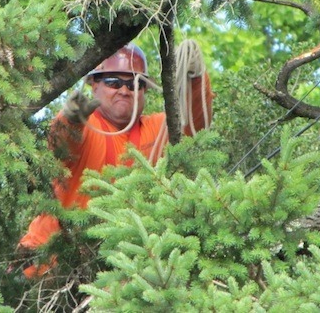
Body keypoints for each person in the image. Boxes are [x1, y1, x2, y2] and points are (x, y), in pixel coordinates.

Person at [16, 40, 213, 278]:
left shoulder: (158, 129)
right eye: (113, 82)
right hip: (49, 263)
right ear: (94, 85)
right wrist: (70, 119)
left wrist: (195, 78)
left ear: (145, 91)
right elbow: (62, 144)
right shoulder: (88, 126)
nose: (124, 90)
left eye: (134, 84)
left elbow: (194, 124)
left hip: (115, 268)